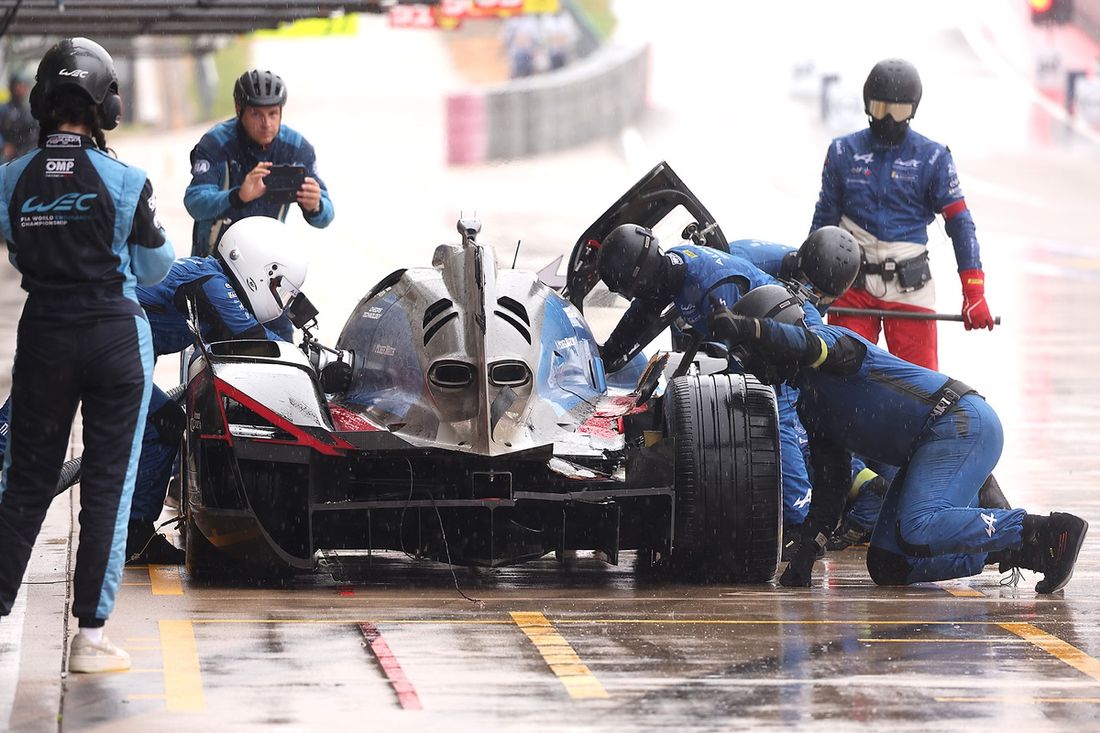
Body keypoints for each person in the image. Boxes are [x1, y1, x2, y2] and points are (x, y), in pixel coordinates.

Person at [708, 284, 1087, 593]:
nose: (759, 369)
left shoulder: (834, 345)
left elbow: (804, 346)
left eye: (759, 356)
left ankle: (1048, 531)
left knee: (916, 526)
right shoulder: (811, 404)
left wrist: (748, 329)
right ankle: (1022, 551)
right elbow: (832, 487)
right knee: (889, 564)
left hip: (958, 423)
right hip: (933, 442)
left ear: (781, 334)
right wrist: (804, 558)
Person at [0, 38, 174, 673]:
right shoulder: (127, 180)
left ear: (43, 102)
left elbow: (18, 251)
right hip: (113, 338)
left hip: (44, 333)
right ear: (107, 106)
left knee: (25, 480)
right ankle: (90, 641)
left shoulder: (11, 178)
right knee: (108, 483)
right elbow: (157, 266)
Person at [0, 217, 307, 566]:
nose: (279, 297)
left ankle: (133, 535)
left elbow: (270, 331)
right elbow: (254, 341)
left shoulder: (211, 281)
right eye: (278, 284)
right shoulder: (212, 284)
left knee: (163, 424)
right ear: (259, 267)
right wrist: (320, 362)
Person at [596, 223, 861, 555]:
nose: (632, 297)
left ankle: (799, 523)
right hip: (758, 324)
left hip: (785, 332)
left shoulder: (711, 288)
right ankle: (851, 489)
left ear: (642, 277)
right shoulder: (668, 269)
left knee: (772, 416)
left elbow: (738, 354)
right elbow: (642, 313)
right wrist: (607, 354)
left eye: (631, 289)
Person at [811, 58, 994, 371]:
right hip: (851, 288)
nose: (890, 121)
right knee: (840, 380)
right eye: (882, 110)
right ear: (868, 106)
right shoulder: (842, 152)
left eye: (899, 112)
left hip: (911, 290)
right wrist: (810, 286)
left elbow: (960, 224)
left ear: (914, 110)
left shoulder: (933, 157)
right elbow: (824, 223)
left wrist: (974, 291)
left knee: (920, 386)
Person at [183, 69, 333, 260]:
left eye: (273, 114)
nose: (266, 123)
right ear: (239, 110)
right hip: (212, 258)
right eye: (256, 114)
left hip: (264, 258)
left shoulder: (296, 147)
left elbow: (326, 217)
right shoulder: (215, 143)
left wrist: (315, 206)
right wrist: (238, 196)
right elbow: (194, 203)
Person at [0, 72, 39, 162]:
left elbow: (34, 133)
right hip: (6, 153)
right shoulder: (3, 110)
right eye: (18, 86)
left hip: (25, 152)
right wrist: (3, 145)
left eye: (23, 86)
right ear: (12, 88)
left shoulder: (30, 110)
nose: (20, 89)